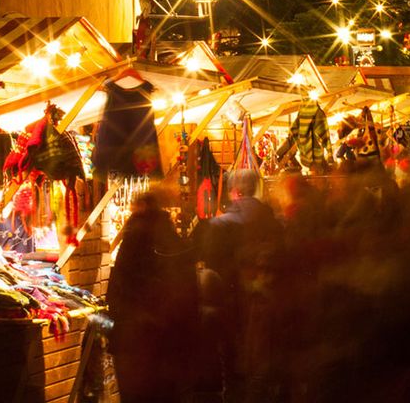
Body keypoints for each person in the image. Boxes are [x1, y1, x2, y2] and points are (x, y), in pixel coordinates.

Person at [200, 169, 283, 403]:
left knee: (233, 375)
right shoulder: (274, 223)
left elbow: (211, 271)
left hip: (230, 311)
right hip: (266, 310)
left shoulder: (219, 226)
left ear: (234, 192)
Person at [106, 191, 197, 403]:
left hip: (138, 334)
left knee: (138, 392)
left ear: (141, 207)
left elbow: (121, 283)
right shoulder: (171, 236)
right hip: (168, 334)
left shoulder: (134, 237)